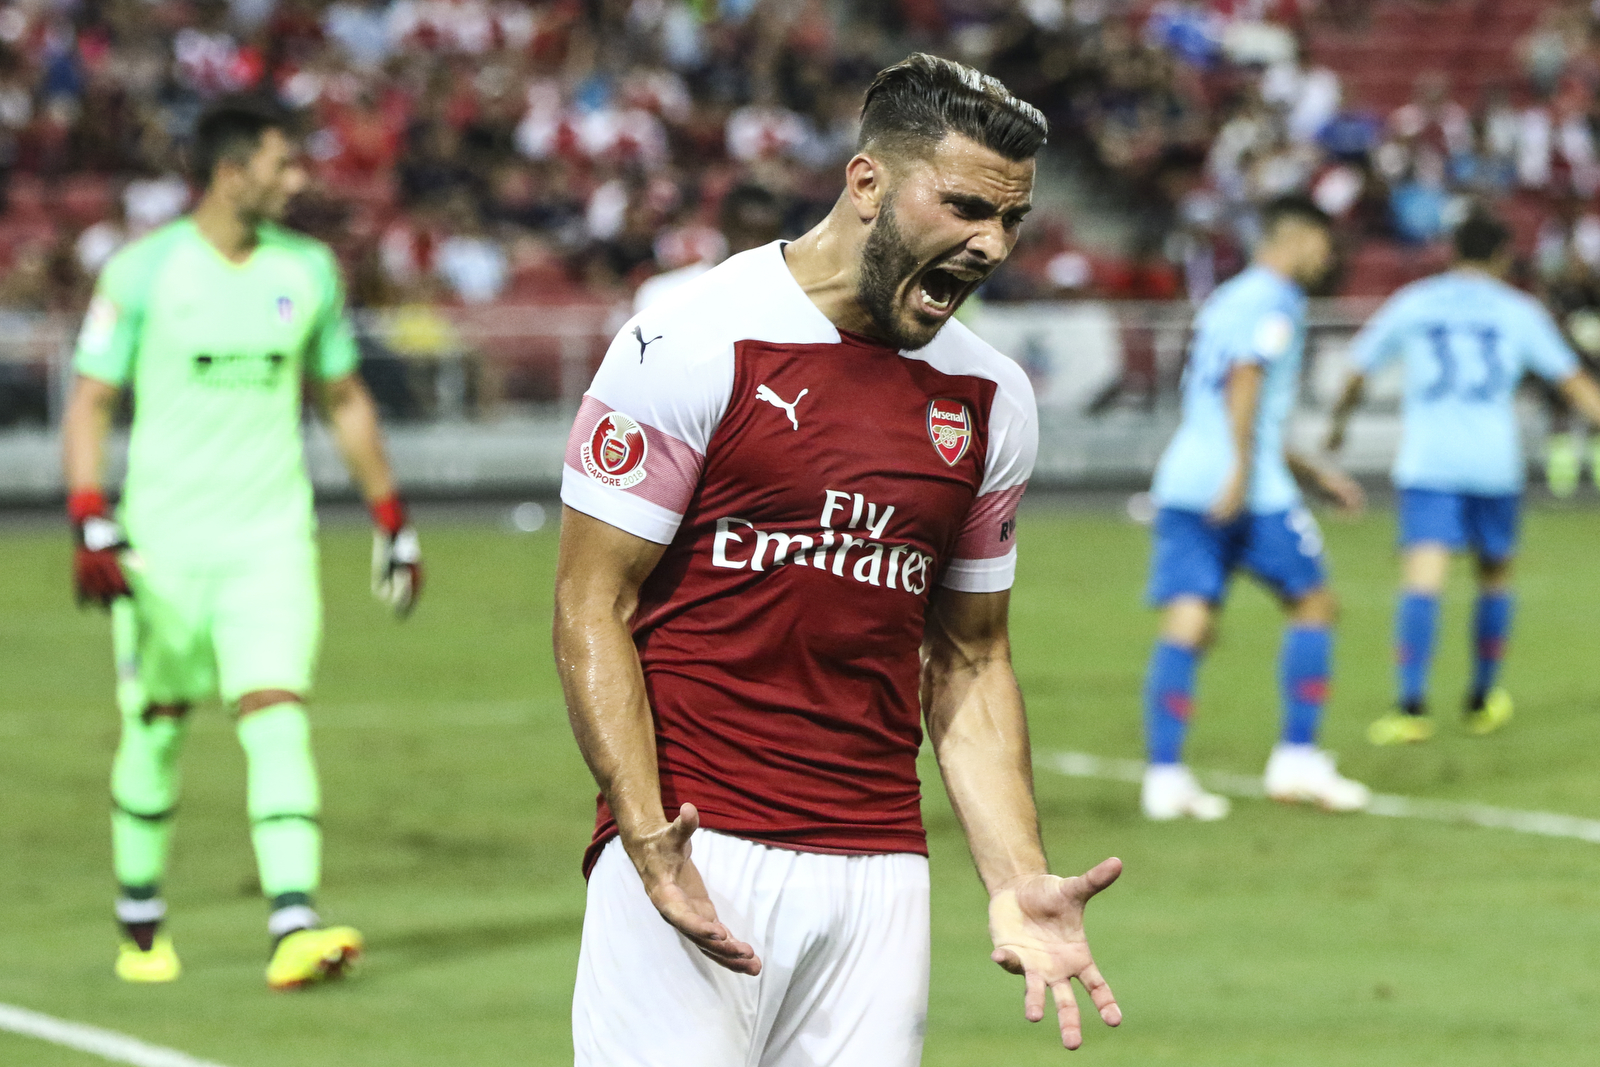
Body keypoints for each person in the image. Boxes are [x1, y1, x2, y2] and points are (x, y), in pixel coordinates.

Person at [554, 54, 1121, 1065]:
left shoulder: (991, 397)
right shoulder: (691, 339)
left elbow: (971, 656)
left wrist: (1016, 874)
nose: (990, 244)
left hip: (879, 869)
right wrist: (642, 835)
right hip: (699, 841)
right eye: (962, 206)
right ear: (866, 183)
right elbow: (592, 602)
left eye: (1012, 220)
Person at [60, 97, 422, 989]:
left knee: (276, 711)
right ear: (232, 172)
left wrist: (390, 518)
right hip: (161, 545)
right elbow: (90, 399)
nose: (298, 178)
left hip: (270, 540)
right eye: (281, 163)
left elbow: (341, 397)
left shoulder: (309, 270)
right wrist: (88, 512)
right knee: (156, 727)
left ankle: (292, 920)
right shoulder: (142, 272)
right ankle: (141, 918)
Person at [1326, 211, 1600, 744]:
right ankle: (1481, 698)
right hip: (1494, 462)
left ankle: (1410, 705)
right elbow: (1574, 383)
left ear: (1452, 250)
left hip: (1430, 460)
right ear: (1501, 256)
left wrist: (1339, 424)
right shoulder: (1518, 310)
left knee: (1423, 577)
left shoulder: (1416, 301)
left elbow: (1358, 368)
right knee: (1494, 576)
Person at [1140, 195, 1371, 822]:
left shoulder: (1227, 299)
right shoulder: (1275, 303)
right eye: (1321, 245)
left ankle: (1165, 778)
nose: (1326, 259)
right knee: (1314, 603)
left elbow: (1228, 401)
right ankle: (1297, 758)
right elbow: (1244, 379)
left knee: (1190, 620)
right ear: (1293, 239)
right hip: (1247, 487)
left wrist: (1315, 472)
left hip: (1187, 476)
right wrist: (1242, 471)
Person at [632, 182, 786, 313]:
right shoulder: (665, 292)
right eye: (745, 234)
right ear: (724, 229)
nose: (755, 244)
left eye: (765, 236)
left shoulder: (785, 292)